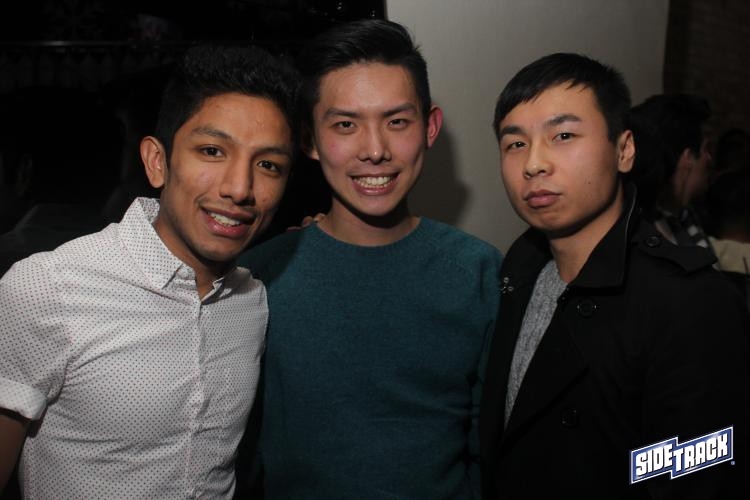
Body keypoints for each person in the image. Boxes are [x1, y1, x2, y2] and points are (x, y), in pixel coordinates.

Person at [0, 43, 297, 498]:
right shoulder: (48, 288)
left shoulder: (253, 300)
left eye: (268, 165)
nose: (240, 188)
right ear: (158, 161)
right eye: (212, 150)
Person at [237, 19, 502, 499]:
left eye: (397, 122)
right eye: (345, 125)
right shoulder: (259, 278)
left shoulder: (479, 273)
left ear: (430, 128)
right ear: (309, 139)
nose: (375, 150)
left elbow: (493, 450)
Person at [479, 53, 749, 499]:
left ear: (624, 150)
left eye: (563, 135)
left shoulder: (690, 302)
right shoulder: (519, 268)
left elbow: (697, 475)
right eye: (515, 144)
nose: (534, 163)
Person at [628, 93, 714, 250]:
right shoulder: (642, 236)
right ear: (687, 158)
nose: (709, 158)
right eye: (705, 148)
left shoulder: (684, 218)